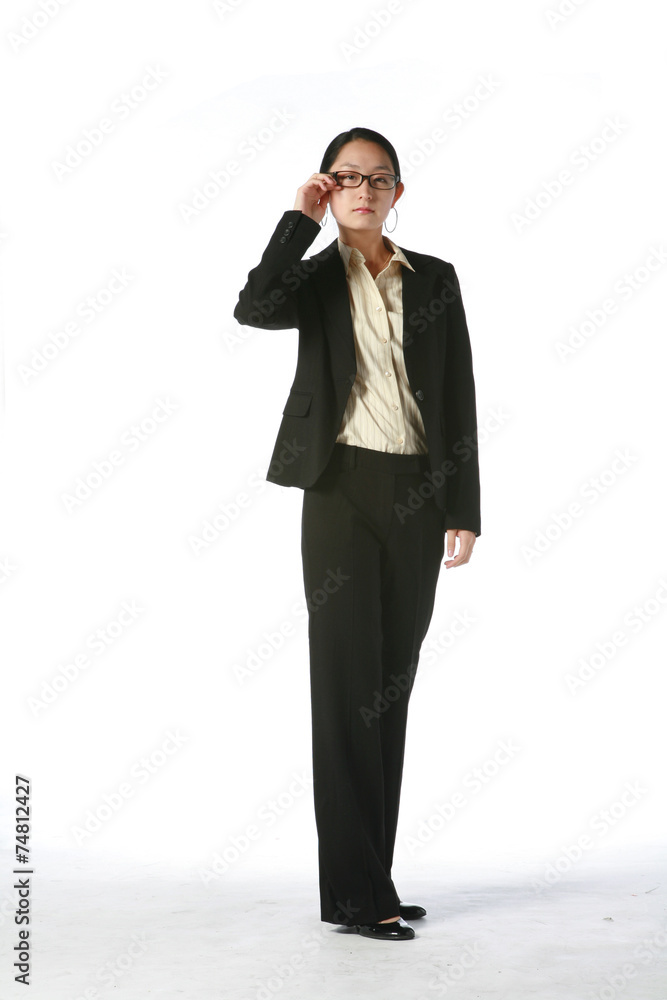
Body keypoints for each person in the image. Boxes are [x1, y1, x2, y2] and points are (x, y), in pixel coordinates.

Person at [233, 127, 481, 941]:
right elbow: (252, 309)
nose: (364, 190)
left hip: (418, 496)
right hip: (337, 489)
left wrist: (462, 505)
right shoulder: (311, 278)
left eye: (378, 179)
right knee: (345, 690)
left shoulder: (434, 278)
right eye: (347, 177)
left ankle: (371, 877)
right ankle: (356, 893)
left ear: (397, 193)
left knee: (388, 689)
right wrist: (296, 222)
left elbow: (456, 394)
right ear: (328, 188)